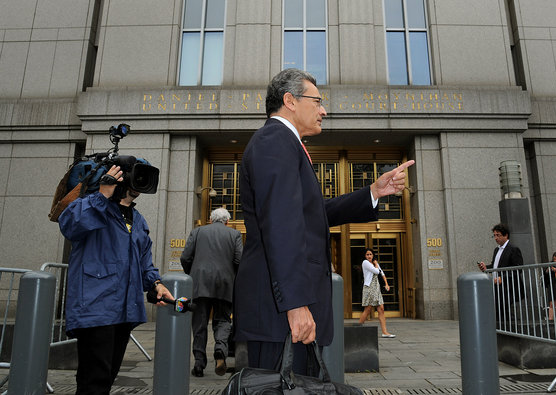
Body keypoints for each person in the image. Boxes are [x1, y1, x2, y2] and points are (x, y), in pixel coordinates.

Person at [233, 68, 414, 376]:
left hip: (286, 314)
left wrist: (372, 192)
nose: (323, 110)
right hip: (282, 316)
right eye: (316, 101)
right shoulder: (275, 142)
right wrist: (295, 304)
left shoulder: (284, 144)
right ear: (290, 100)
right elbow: (281, 226)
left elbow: (311, 213)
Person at [58, 164, 173, 395]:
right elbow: (69, 226)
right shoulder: (92, 206)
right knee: (94, 381)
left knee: (107, 379)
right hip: (95, 308)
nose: (140, 182)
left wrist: (156, 284)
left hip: (124, 311)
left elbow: (144, 262)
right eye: (136, 175)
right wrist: (102, 194)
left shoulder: (138, 220)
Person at [180, 207, 243, 377]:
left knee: (199, 324)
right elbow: (239, 259)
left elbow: (185, 257)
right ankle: (220, 350)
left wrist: (192, 274)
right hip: (225, 284)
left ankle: (199, 364)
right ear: (227, 221)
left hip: (200, 284)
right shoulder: (234, 235)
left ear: (210, 219)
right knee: (223, 320)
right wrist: (232, 277)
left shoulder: (197, 232)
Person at [478, 223, 524, 321]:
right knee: (499, 310)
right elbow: (495, 266)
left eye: (498, 235)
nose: (496, 238)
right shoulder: (497, 250)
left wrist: (502, 278)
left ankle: (513, 328)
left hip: (508, 286)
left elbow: (518, 269)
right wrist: (486, 268)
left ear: (505, 235)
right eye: (494, 235)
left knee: (503, 310)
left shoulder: (513, 249)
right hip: (497, 287)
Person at [358, 249, 395, 338]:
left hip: (376, 288)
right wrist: (376, 264)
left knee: (381, 309)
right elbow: (377, 271)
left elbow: (382, 273)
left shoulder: (375, 264)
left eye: (370, 254)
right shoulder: (365, 263)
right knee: (368, 309)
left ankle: (385, 332)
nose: (369, 256)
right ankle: (357, 329)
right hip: (369, 288)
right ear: (365, 256)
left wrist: (386, 284)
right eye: (367, 254)